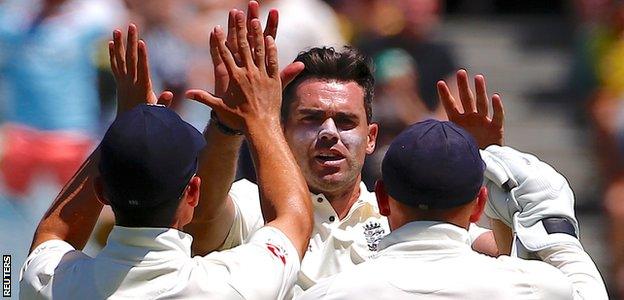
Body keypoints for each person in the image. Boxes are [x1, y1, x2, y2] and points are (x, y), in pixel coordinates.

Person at [184, 2, 498, 295]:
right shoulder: (249, 204)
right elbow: (202, 222)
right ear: (281, 131)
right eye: (311, 119)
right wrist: (228, 127)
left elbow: (503, 251)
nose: (329, 133)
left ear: (371, 137)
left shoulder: (403, 215)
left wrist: (494, 160)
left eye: (346, 122)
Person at [19, 22, 313, 299]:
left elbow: (51, 234)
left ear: (101, 191)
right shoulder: (232, 285)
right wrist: (261, 117)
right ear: (193, 193)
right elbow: (296, 219)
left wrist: (125, 125)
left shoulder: (49, 284)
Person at [298, 119, 608, 299]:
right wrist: (556, 229)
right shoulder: (530, 286)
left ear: (381, 198)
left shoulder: (328, 293)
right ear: (479, 206)